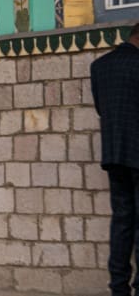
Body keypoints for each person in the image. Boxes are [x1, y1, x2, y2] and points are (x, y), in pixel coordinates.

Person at [91, 23, 139, 296]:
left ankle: (118, 287)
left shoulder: (100, 66)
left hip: (114, 154)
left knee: (121, 220)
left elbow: (101, 108)